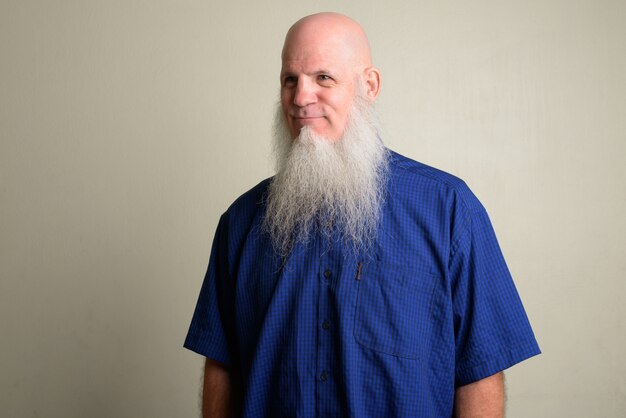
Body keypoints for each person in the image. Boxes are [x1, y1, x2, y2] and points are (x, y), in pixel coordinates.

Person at [185, 12, 540, 418]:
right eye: (290, 79)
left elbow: (480, 370)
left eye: (323, 78)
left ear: (368, 85)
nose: (301, 97)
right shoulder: (241, 221)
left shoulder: (448, 209)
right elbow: (221, 367)